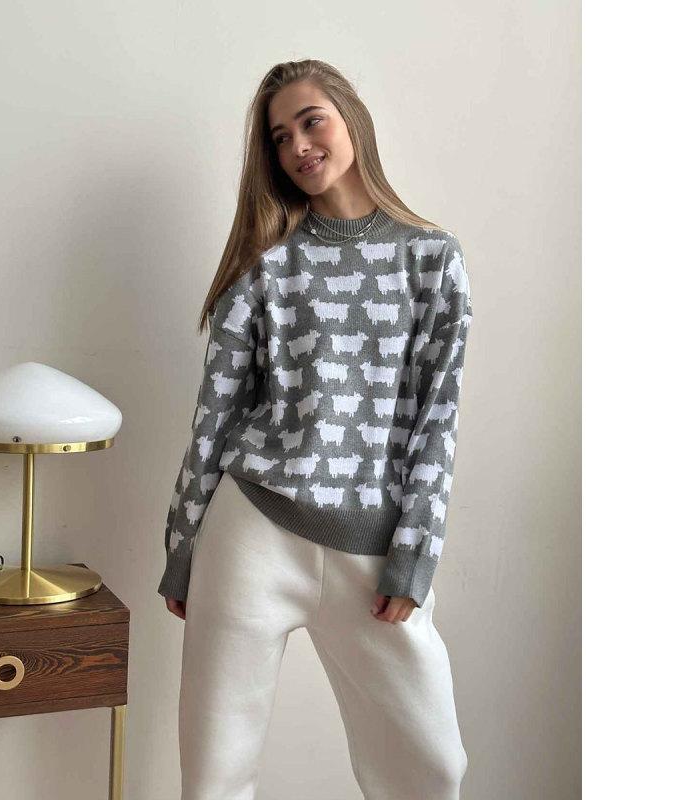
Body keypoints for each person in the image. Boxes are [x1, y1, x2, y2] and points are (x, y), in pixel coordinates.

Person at [157, 58, 472, 800]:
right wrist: (183, 545)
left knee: (432, 768)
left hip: (370, 547)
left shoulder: (431, 258)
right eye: (280, 137)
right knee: (214, 772)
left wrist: (416, 553)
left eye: (311, 121)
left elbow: (437, 418)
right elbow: (216, 413)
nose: (298, 145)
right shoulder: (265, 264)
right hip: (252, 532)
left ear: (351, 119)